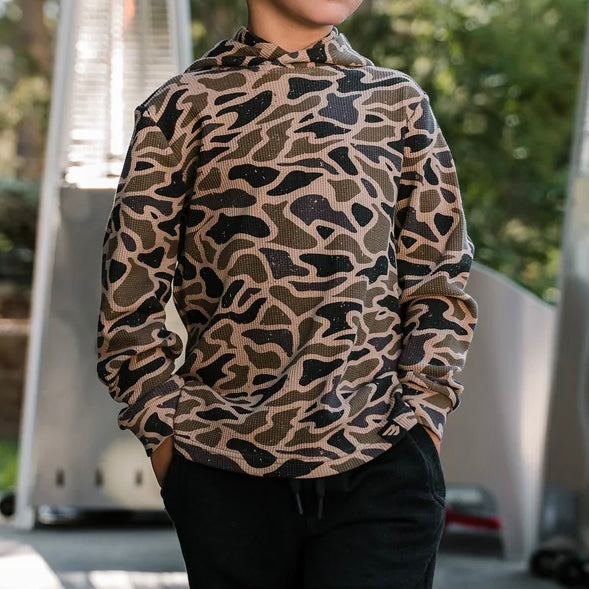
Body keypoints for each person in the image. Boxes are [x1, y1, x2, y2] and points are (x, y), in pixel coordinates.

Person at [96, 0, 478, 586]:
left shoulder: (398, 103)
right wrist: (166, 439)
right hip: (223, 469)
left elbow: (440, 277)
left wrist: (423, 420)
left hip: (382, 465)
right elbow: (129, 296)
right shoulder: (183, 106)